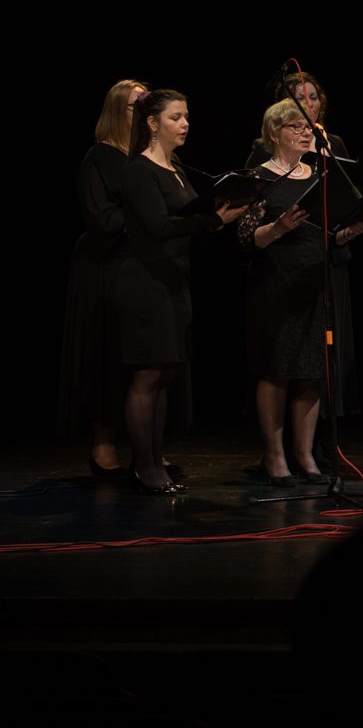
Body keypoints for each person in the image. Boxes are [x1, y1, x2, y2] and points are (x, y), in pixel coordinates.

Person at [114, 89, 248, 493]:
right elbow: (158, 226)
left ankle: (155, 461)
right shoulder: (139, 170)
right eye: (176, 117)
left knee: (165, 373)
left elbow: (191, 217)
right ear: (152, 123)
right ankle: (144, 466)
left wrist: (224, 212)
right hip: (145, 283)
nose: (185, 124)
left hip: (174, 280)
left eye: (187, 116)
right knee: (148, 374)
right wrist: (212, 220)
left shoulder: (175, 167)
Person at [237, 99, 363, 486]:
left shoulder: (319, 175)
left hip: (314, 282)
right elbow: (245, 237)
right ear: (274, 133)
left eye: (308, 126)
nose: (305, 132)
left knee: (312, 372)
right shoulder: (258, 176)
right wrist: (278, 228)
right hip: (274, 285)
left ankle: (305, 454)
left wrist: (351, 231)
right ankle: (274, 456)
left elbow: (331, 233)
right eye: (295, 126)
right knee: (276, 371)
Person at [61, 78, 146, 479]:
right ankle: (103, 446)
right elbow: (102, 218)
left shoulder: (153, 158)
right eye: (135, 106)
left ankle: (147, 448)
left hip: (143, 267)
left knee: (145, 361)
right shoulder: (99, 157)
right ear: (117, 112)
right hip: (105, 268)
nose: (144, 113)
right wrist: (151, 216)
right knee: (106, 357)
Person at [246, 71, 350, 166]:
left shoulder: (336, 143)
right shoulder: (265, 147)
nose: (309, 104)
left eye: (313, 98)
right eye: (300, 98)